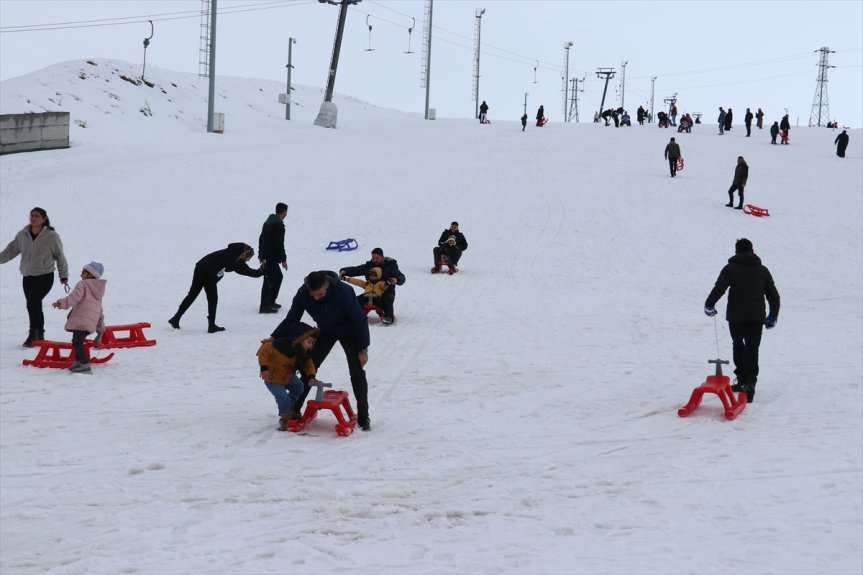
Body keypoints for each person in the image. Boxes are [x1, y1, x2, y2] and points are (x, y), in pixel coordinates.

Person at [272, 270, 372, 431]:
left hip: (349, 331)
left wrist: (363, 348)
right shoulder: (303, 294)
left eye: (320, 294)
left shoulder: (343, 291)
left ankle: (363, 416)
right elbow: (291, 319)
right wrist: (273, 337)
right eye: (313, 295)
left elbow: (359, 320)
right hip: (326, 330)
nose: (316, 298)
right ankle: (295, 409)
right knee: (308, 367)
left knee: (357, 371)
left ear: (327, 286)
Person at [704, 238, 780, 403]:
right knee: (752, 348)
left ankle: (741, 379)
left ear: (737, 252)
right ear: (752, 250)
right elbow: (774, 295)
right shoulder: (762, 270)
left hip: (736, 317)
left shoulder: (730, 268)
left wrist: (709, 304)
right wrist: (773, 315)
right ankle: (750, 383)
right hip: (756, 318)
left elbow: (719, 288)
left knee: (738, 345)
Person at [0, 207, 70, 347]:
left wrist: (63, 275)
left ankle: (33, 334)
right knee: (34, 305)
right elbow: (10, 251)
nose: (33, 218)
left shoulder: (51, 236)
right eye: (31, 215)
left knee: (32, 302)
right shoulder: (23, 234)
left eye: (37, 216)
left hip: (44, 276)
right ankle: (40, 334)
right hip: (28, 277)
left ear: (44, 219)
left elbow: (60, 256)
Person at [169, 243, 264, 333]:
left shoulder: (231, 252)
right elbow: (247, 271)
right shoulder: (235, 259)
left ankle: (176, 318)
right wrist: (261, 271)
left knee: (192, 295)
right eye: (249, 258)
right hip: (207, 272)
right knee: (213, 298)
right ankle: (211, 326)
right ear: (245, 254)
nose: (249, 260)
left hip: (200, 266)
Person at [258, 321, 319, 430]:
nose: (310, 345)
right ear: (299, 338)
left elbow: (309, 365)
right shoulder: (277, 345)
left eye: (312, 343)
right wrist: (264, 368)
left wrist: (311, 376)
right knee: (283, 398)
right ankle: (285, 418)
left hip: (288, 377)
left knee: (299, 387)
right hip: (273, 379)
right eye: (309, 342)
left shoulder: (301, 352)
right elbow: (263, 352)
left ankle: (289, 408)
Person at [51, 261, 106, 374]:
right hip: (89, 322)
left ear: (91, 274)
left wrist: (61, 303)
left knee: (77, 342)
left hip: (82, 320)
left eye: (83, 272)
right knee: (77, 341)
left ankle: (84, 364)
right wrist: (100, 328)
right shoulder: (98, 291)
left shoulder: (83, 284)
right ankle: (77, 362)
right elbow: (99, 310)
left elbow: (74, 298)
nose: (81, 275)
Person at [340, 247, 406, 325]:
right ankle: (350, 315)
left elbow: (402, 277)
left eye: (377, 258)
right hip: (370, 292)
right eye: (373, 258)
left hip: (386, 292)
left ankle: (388, 317)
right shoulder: (369, 266)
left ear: (382, 257)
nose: (374, 260)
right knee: (356, 301)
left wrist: (396, 279)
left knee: (387, 300)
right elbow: (357, 270)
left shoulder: (390, 266)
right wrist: (345, 271)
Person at [258, 202, 288, 314]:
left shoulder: (267, 223)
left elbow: (261, 239)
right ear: (284, 211)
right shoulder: (278, 225)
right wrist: (284, 259)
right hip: (271, 257)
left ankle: (271, 301)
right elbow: (279, 244)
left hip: (267, 256)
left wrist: (261, 254)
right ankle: (264, 306)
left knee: (278, 277)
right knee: (268, 281)